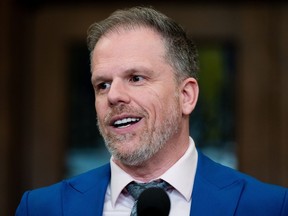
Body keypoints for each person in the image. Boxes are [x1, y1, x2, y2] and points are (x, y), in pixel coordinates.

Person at [16, 6, 288, 216]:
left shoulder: (268, 206)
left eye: (136, 78)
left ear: (186, 96)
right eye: (103, 84)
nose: (113, 96)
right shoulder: (41, 207)